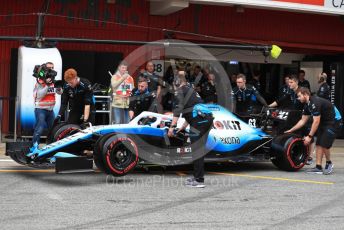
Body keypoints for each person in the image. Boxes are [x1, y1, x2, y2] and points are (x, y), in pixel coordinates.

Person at [167, 71, 213, 188]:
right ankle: (197, 177)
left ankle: (199, 180)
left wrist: (172, 128)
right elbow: (192, 108)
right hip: (206, 119)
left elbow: (176, 113)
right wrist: (183, 126)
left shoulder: (180, 93)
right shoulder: (190, 90)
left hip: (199, 121)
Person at [285, 87, 336, 175]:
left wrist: (309, 136)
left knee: (324, 143)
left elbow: (316, 121)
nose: (298, 98)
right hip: (324, 123)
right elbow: (302, 121)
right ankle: (318, 167)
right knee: (319, 143)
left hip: (334, 121)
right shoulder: (307, 105)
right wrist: (290, 130)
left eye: (299, 96)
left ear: (305, 94)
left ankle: (329, 163)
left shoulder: (315, 102)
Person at [32, 62, 58, 146]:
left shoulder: (53, 82)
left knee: (53, 130)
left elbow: (59, 92)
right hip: (40, 109)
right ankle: (34, 146)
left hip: (50, 110)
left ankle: (51, 146)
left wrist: (59, 88)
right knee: (39, 129)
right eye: (49, 68)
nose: (51, 69)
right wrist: (47, 85)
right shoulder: (39, 82)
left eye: (52, 67)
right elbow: (39, 95)